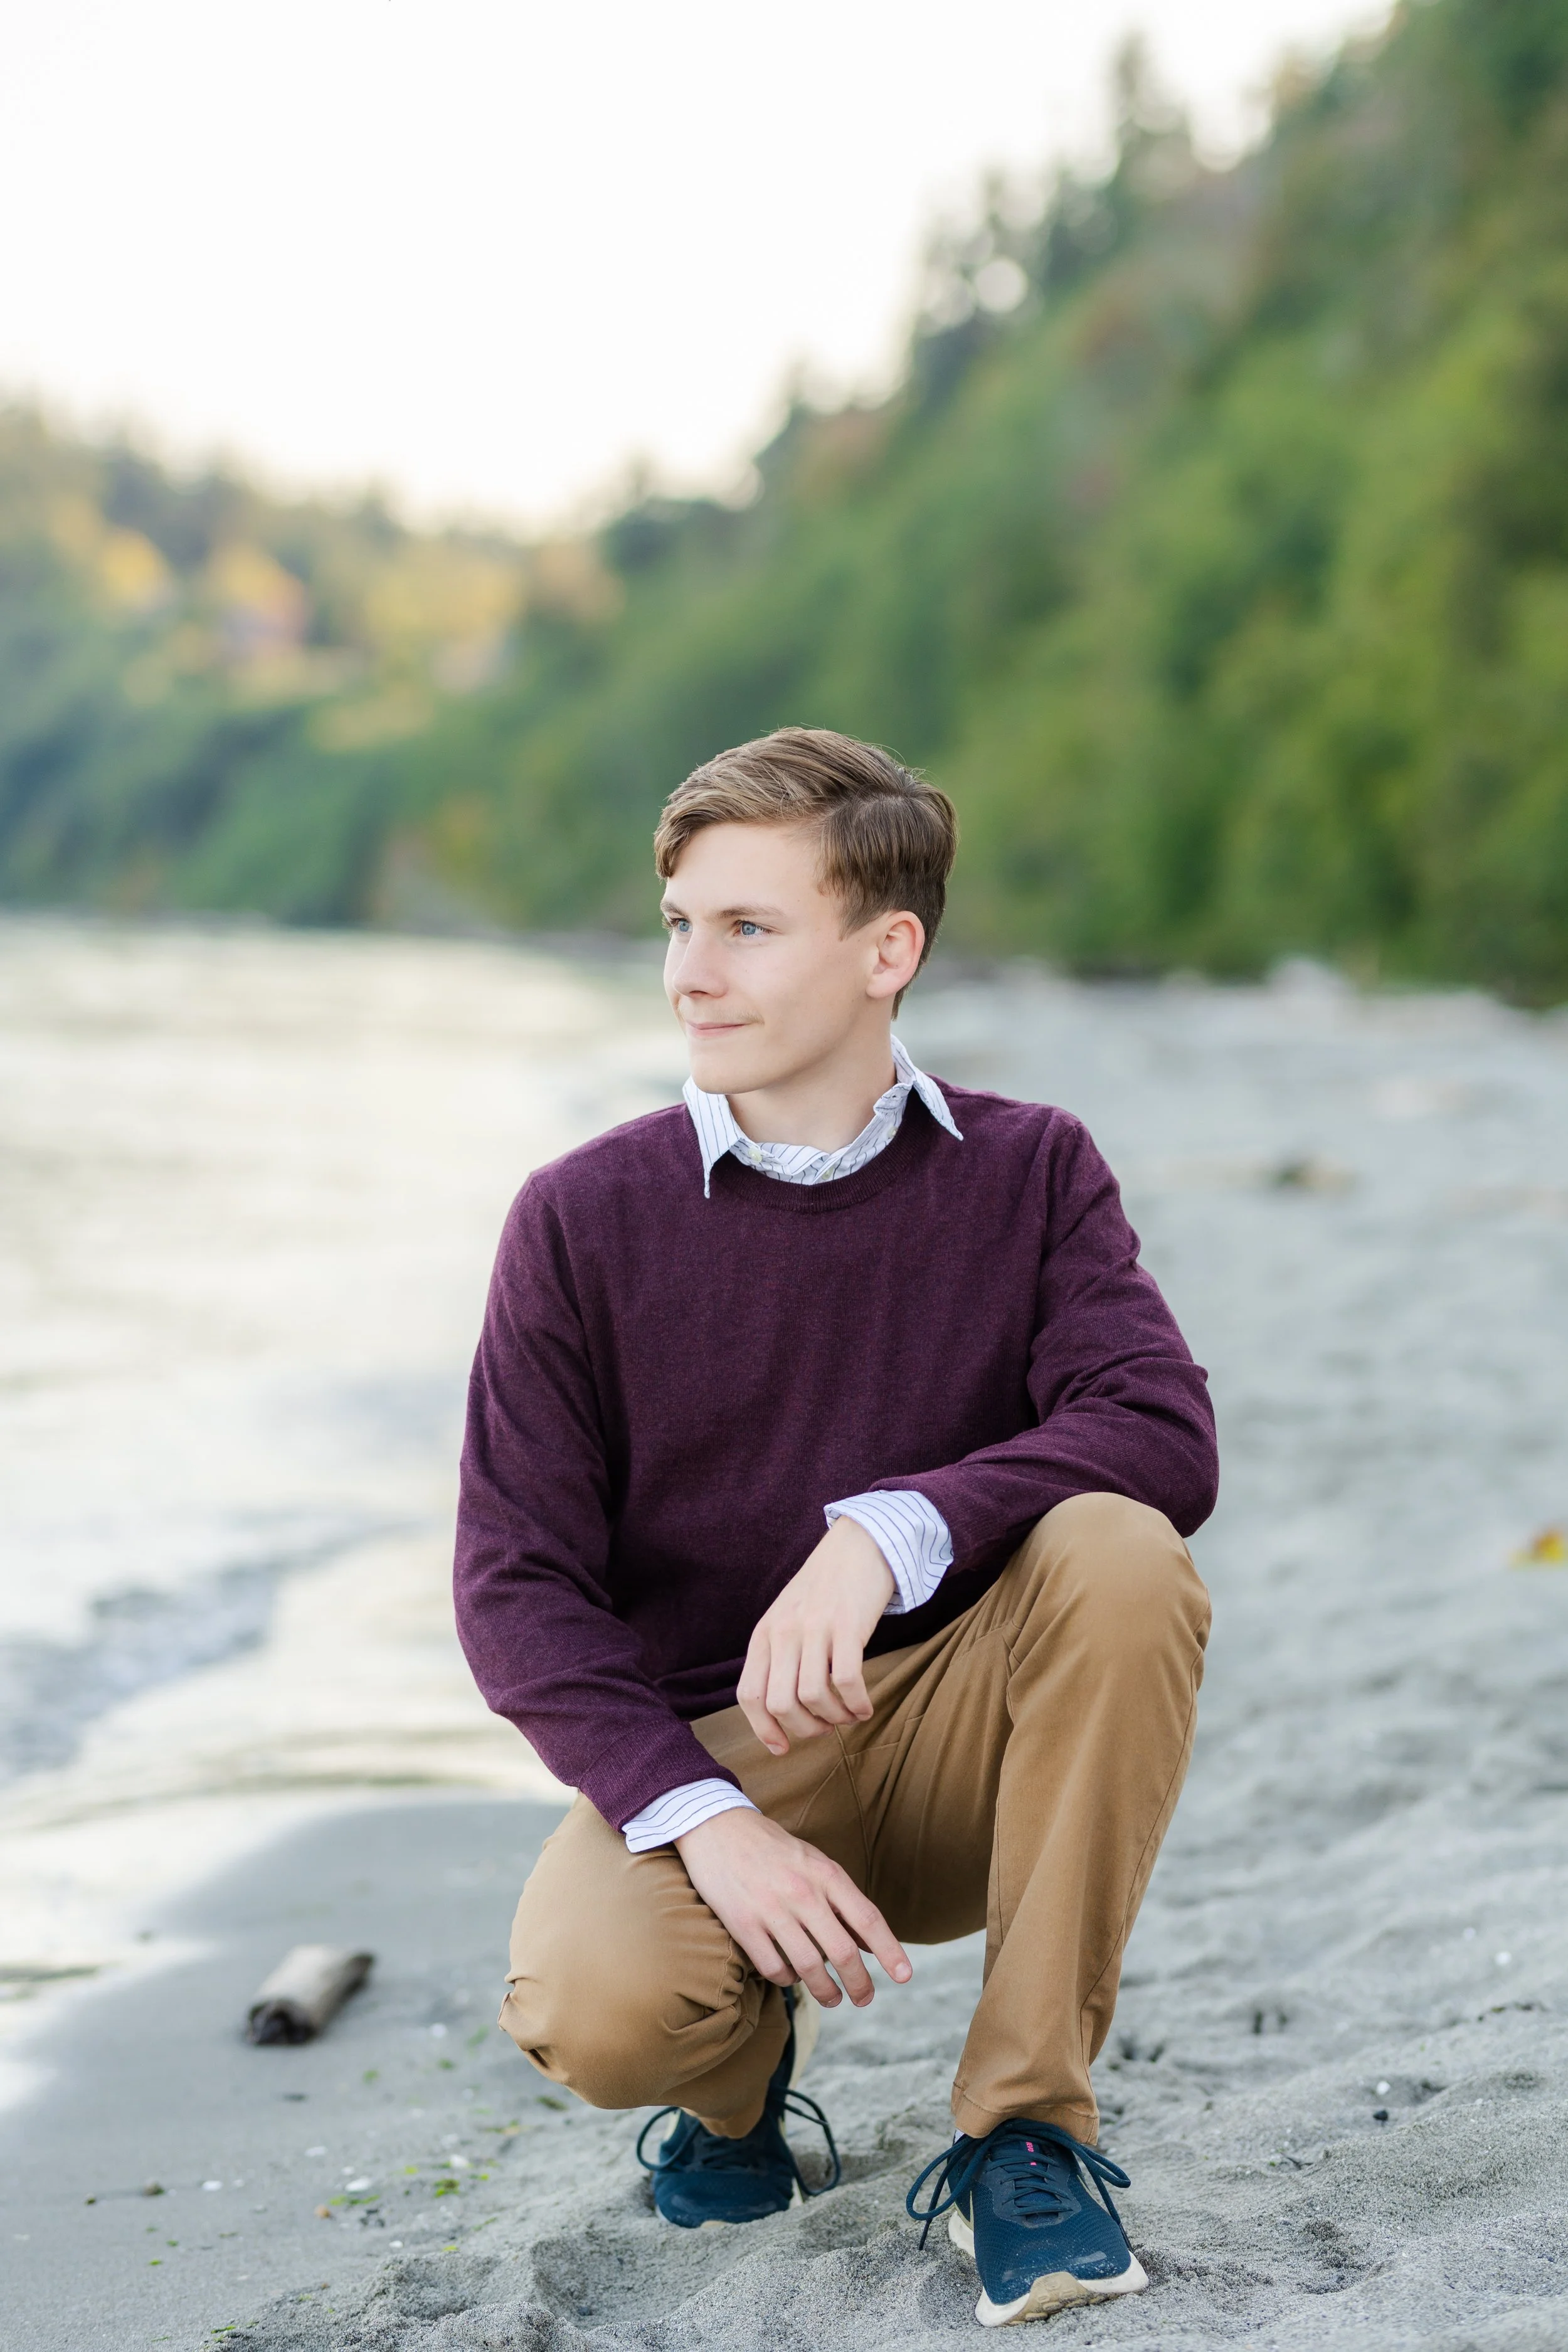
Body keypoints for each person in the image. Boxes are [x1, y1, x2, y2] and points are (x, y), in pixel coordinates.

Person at [455, 728, 1216, 2328]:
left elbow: (1159, 1430)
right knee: (595, 2011)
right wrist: (702, 1819)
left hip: (964, 1738)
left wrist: (890, 1529)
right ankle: (736, 2098)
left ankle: (1023, 2132)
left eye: (747, 927)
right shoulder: (580, 1219)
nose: (691, 973)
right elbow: (515, 1587)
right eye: (680, 923)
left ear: (887, 952)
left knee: (1121, 1552)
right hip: (717, 1755)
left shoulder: (1029, 1171)